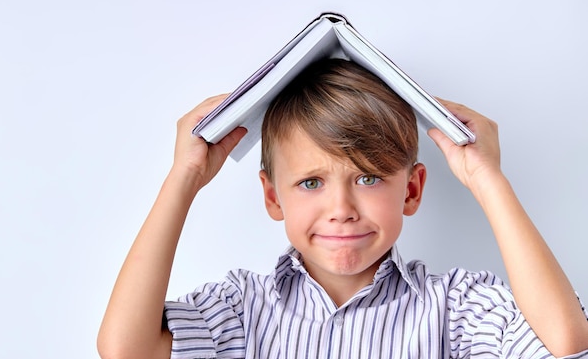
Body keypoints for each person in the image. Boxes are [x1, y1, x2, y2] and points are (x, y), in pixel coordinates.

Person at [97, 58, 588, 359]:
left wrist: (487, 178)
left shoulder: (453, 310)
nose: (341, 208)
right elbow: (125, 350)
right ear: (273, 197)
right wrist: (184, 178)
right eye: (310, 182)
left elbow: (564, 343)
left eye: (368, 178)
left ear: (412, 191)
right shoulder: (242, 309)